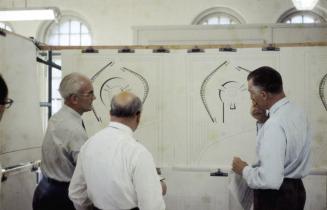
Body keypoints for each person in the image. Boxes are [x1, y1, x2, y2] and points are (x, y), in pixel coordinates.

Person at [69, 91, 166, 210]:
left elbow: (76, 194)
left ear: (110, 113)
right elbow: (152, 206)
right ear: (138, 116)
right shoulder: (138, 153)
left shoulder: (89, 144)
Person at [232, 66, 311, 210]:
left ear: (263, 95)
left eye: (251, 93)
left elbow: (270, 180)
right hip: (296, 191)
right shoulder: (297, 111)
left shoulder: (274, 124)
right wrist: (263, 120)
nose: (251, 99)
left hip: (275, 199)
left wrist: (243, 169)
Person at [33, 72, 96, 210]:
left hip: (43, 190)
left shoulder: (57, 117)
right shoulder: (73, 129)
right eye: (90, 94)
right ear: (74, 99)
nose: (94, 97)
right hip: (62, 197)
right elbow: (84, 172)